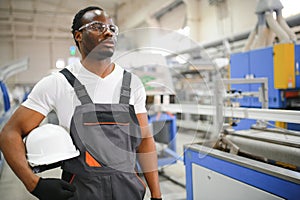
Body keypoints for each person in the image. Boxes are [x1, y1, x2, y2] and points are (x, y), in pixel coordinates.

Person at [0, 6, 162, 200]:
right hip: (81, 192)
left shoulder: (132, 84)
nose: (108, 32)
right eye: (98, 26)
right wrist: (34, 184)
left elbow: (144, 141)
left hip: (128, 191)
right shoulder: (58, 83)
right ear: (78, 35)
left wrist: (156, 194)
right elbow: (10, 133)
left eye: (112, 28)